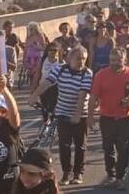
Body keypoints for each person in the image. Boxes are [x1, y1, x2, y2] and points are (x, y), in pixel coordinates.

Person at [86, 47, 129, 190]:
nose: (115, 63)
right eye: (112, 60)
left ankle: (120, 178)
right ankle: (111, 174)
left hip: (126, 118)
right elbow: (93, 96)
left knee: (123, 148)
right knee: (108, 148)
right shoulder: (101, 74)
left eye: (118, 60)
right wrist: (90, 116)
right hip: (107, 117)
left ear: (125, 60)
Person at [35, 46, 92, 185]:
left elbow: (82, 96)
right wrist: (34, 95)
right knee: (64, 145)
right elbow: (47, 83)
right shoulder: (60, 69)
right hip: (62, 112)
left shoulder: (87, 73)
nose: (81, 62)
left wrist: (77, 115)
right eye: (78, 58)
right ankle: (66, 172)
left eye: (84, 59)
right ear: (70, 58)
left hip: (81, 114)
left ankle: (78, 173)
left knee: (80, 146)